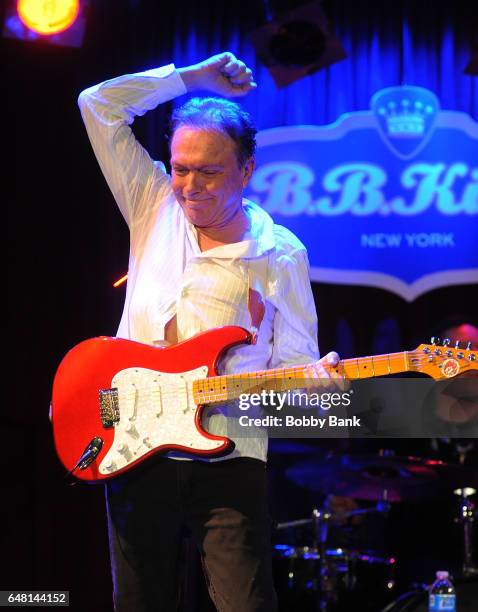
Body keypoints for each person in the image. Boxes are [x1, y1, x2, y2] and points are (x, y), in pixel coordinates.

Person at [78, 52, 343, 612]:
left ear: (246, 171)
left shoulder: (280, 254)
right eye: (180, 168)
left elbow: (292, 375)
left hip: (229, 460)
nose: (189, 186)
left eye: (209, 171)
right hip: (132, 447)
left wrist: (314, 388)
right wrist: (189, 79)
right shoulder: (153, 206)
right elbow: (97, 105)